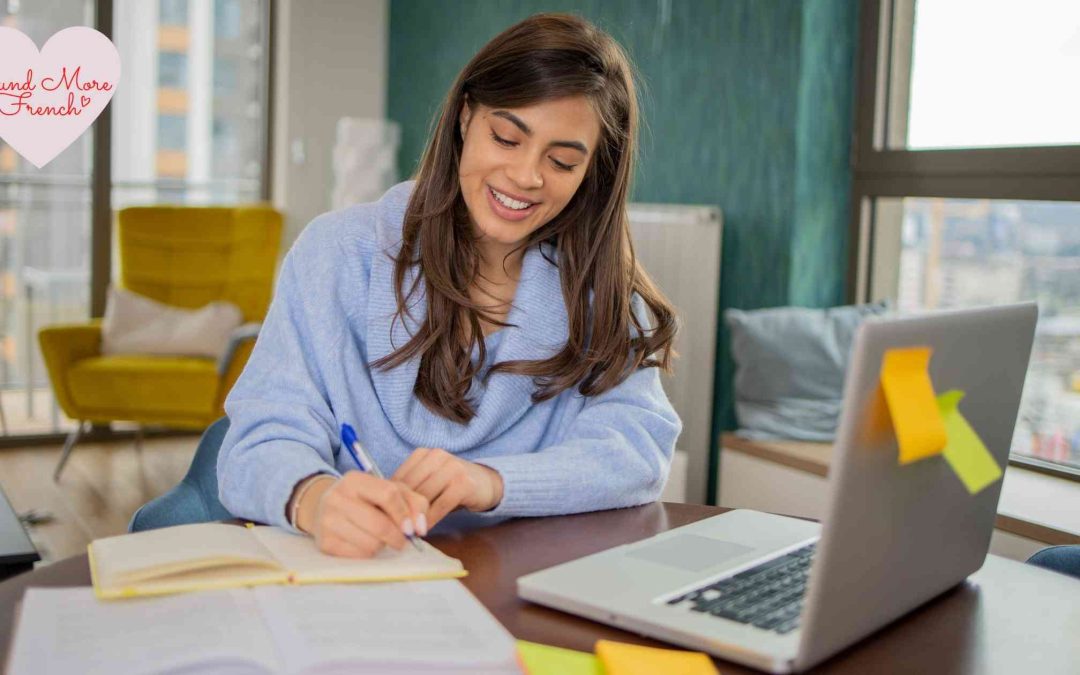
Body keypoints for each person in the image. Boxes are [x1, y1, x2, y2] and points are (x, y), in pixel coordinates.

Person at [217, 13, 682, 558]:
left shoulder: (601, 296)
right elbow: (259, 439)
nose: (526, 176)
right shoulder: (337, 255)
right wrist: (313, 498)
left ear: (590, 174)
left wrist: (490, 481)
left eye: (561, 161)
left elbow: (637, 451)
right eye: (507, 138)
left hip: (516, 584)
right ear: (465, 117)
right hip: (350, 578)